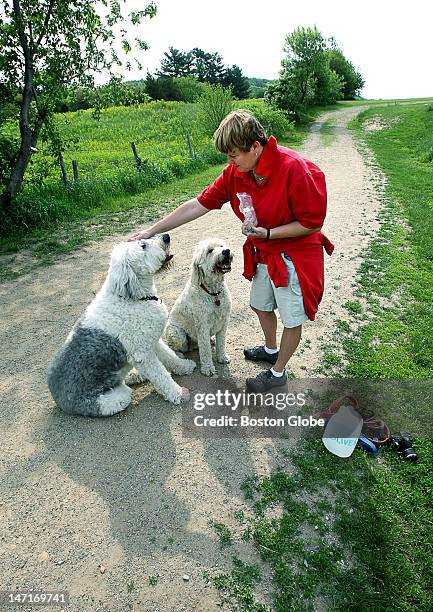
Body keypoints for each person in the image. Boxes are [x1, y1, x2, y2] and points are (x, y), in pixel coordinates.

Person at [128, 110, 333, 391]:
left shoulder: (292, 168)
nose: (230, 160)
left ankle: (278, 372)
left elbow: (312, 222)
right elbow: (196, 205)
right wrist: (150, 231)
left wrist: (271, 233)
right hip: (264, 249)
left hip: (294, 254)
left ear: (256, 147)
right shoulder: (236, 173)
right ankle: (271, 349)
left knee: (291, 316)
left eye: (234, 153)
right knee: (260, 305)